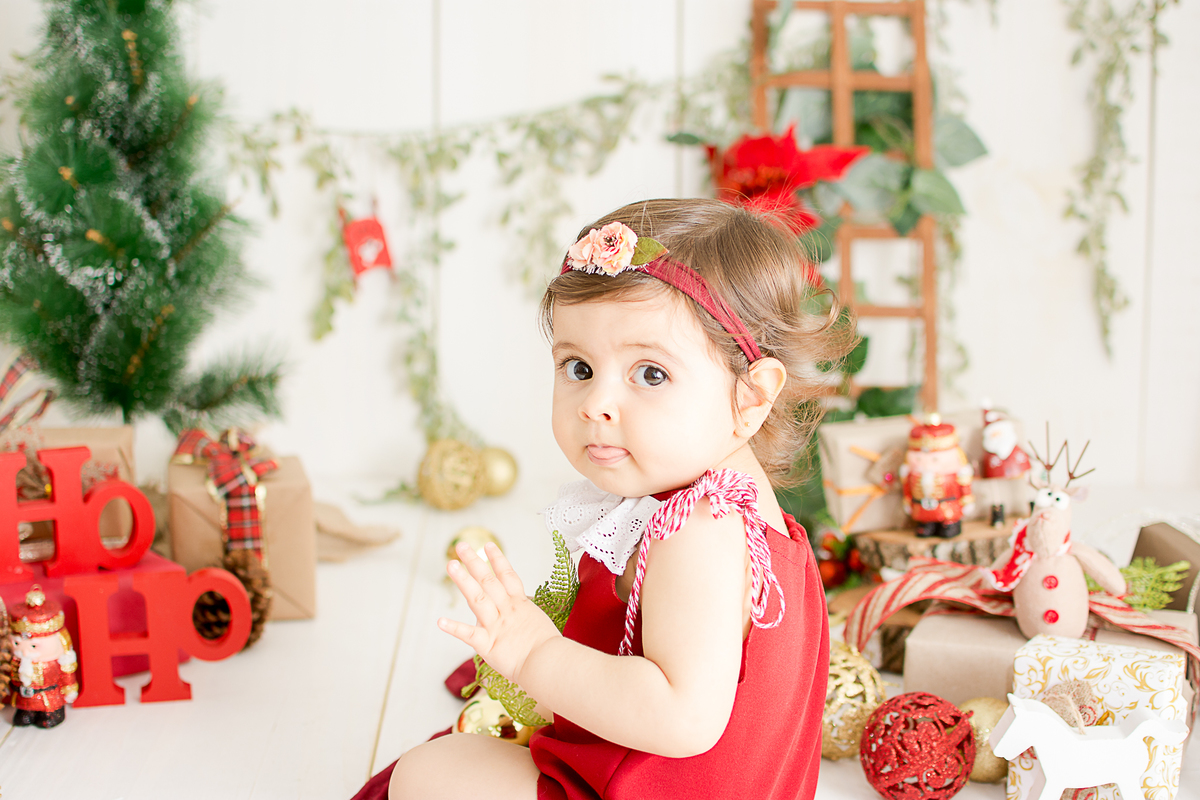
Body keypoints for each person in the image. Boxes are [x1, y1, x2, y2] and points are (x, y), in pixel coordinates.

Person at [384, 199, 855, 800]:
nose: (595, 403)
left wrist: (533, 655)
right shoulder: (718, 500)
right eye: (578, 367)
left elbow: (681, 716)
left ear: (751, 396)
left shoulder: (700, 529)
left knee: (430, 774)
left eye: (649, 374)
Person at [5, 585, 79, 728]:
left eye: (33, 646)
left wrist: (69, 688)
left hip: (49, 695)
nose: (25, 651)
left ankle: (52, 714)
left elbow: (67, 675)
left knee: (50, 711)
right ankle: (27, 713)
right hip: (24, 696)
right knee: (23, 713)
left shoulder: (60, 660)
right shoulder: (15, 660)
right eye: (17, 643)